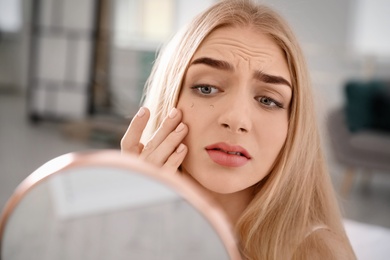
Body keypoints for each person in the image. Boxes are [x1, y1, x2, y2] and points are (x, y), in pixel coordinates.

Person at [121, 0, 356, 259]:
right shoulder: (118, 228)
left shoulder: (319, 253)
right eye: (206, 88)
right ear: (169, 99)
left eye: (268, 100)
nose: (236, 120)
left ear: (294, 127)